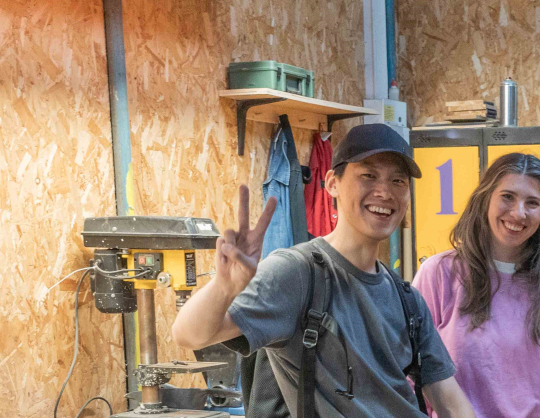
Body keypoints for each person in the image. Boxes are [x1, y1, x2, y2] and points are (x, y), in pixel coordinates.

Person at [172, 124, 477, 418]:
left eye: (398, 181)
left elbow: (451, 403)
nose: (385, 192)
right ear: (332, 183)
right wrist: (224, 289)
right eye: (368, 176)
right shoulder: (297, 273)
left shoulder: (407, 299)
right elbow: (189, 335)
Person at [412, 153, 540, 418]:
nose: (518, 213)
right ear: (486, 199)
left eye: (532, 202)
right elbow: (410, 377)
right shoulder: (440, 274)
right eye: (507, 197)